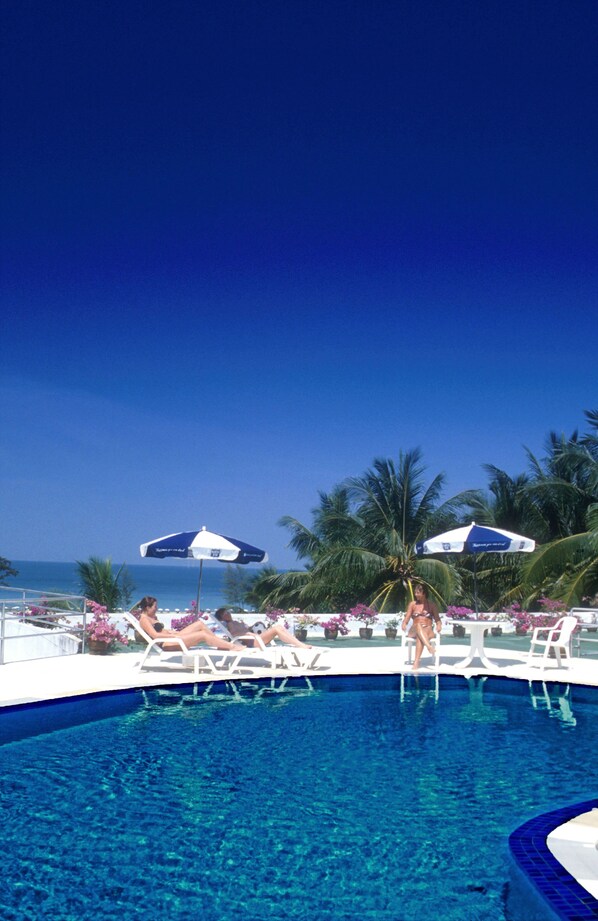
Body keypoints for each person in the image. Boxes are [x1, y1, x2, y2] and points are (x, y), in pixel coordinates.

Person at [134, 596, 245, 653]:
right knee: (202, 635)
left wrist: (174, 632)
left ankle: (220, 644)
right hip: (168, 643)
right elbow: (155, 635)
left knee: (200, 624)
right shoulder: (144, 620)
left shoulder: (151, 617)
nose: (156, 609)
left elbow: (161, 631)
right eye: (154, 607)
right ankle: (232, 646)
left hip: (172, 637)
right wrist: (174, 636)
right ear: (147, 607)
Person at [214, 607, 314, 650]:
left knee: (278, 628)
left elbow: (242, 630)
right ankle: (300, 644)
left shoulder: (235, 622)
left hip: (256, 639)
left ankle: (299, 644)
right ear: (222, 617)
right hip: (254, 642)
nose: (228, 613)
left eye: (227, 611)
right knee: (277, 629)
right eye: (225, 613)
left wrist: (250, 628)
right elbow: (234, 634)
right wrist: (249, 634)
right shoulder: (230, 624)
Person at [402, 583, 442, 670]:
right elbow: (407, 618)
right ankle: (429, 647)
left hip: (428, 630)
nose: (416, 595)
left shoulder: (432, 605)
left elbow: (438, 620)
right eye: (415, 592)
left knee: (420, 637)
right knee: (418, 625)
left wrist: (439, 625)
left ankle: (416, 662)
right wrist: (404, 623)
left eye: (418, 593)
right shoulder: (413, 604)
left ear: (424, 593)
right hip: (414, 630)